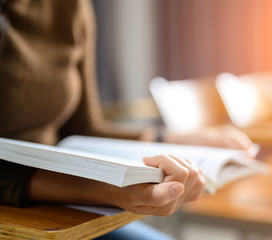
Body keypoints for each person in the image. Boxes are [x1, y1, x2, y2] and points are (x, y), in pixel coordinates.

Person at [0, 0, 252, 239]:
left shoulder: (70, 6)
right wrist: (100, 188)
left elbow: (83, 128)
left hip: (54, 206)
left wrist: (168, 139)